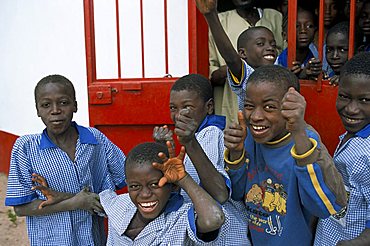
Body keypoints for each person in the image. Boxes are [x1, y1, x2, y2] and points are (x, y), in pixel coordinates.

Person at [222, 64, 347, 245]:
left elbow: (324, 206)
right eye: (249, 106)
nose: (256, 116)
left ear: (290, 106)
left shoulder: (306, 141)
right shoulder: (249, 137)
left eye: (269, 107)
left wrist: (299, 132)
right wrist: (236, 153)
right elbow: (238, 193)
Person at [5, 74, 126, 246]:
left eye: (63, 102)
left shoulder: (95, 140)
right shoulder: (25, 148)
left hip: (93, 239)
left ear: (75, 106)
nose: (55, 110)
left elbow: (128, 177)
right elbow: (21, 208)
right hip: (51, 240)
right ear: (38, 110)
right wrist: (74, 202)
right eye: (46, 105)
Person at [153, 73, 251, 245]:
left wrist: (190, 142)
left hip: (226, 236)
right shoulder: (196, 136)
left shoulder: (210, 134)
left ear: (209, 107)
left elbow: (219, 193)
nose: (178, 114)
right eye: (173, 108)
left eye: (187, 106)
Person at [99, 141, 227, 245]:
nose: (145, 194)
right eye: (135, 186)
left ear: (173, 186)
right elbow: (97, 201)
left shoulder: (181, 218)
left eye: (155, 184)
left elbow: (214, 219)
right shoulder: (119, 204)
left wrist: (184, 179)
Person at [314, 52, 370, 246]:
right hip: (329, 235)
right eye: (345, 97)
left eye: (365, 100)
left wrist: (357, 242)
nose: (351, 109)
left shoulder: (367, 152)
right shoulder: (354, 136)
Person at [196, 0, 278, 113]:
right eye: (260, 44)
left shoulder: (280, 71)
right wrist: (211, 15)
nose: (270, 48)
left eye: (274, 45)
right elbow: (232, 59)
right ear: (242, 54)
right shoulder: (247, 76)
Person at [278, 6, 323, 80]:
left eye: (309, 26)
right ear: (284, 35)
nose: (303, 30)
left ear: (315, 31)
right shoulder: (277, 64)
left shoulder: (315, 64)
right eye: (296, 26)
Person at [324, 21, 350, 86]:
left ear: (359, 51)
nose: (334, 56)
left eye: (342, 50)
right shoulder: (328, 75)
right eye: (329, 50)